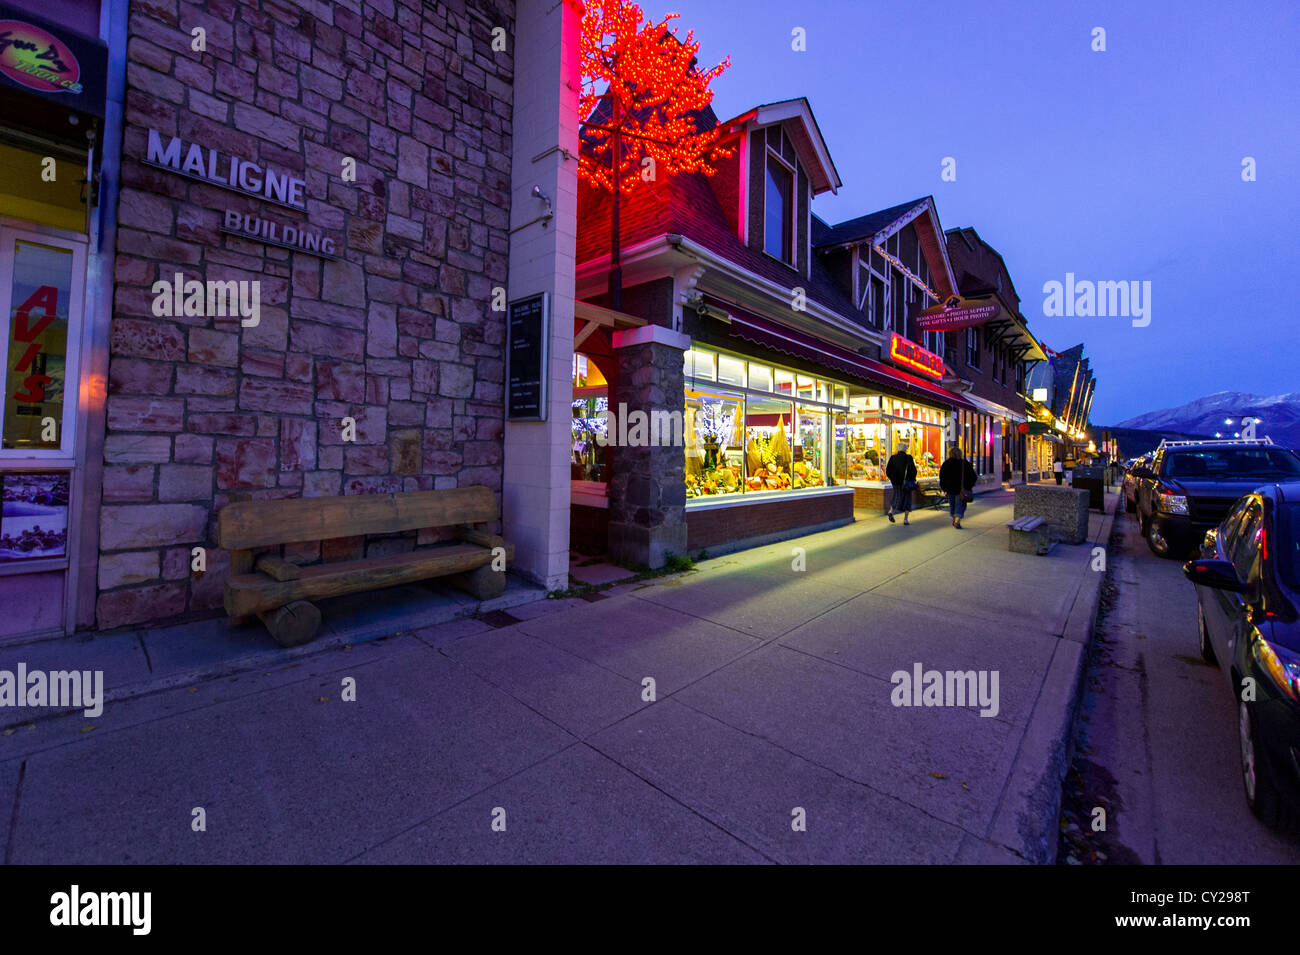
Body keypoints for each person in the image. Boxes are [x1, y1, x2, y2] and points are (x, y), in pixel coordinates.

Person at [940, 445, 978, 528]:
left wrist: (944, 488)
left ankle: (955, 519)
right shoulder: (964, 463)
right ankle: (957, 520)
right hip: (961, 489)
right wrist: (968, 486)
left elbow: (942, 477)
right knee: (960, 505)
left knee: (952, 505)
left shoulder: (946, 463)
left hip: (950, 489)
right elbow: (973, 476)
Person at [884, 441, 917, 525]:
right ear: (905, 449)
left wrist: (893, 479)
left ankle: (891, 511)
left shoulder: (893, 458)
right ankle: (905, 519)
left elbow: (888, 471)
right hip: (906, 482)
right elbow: (913, 471)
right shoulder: (909, 458)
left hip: (896, 482)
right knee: (907, 499)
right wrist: (911, 479)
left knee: (896, 496)